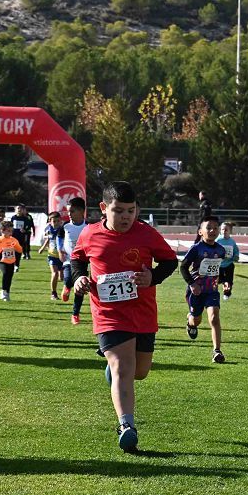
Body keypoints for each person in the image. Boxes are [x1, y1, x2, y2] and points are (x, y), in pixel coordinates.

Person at [70, 181, 179, 453]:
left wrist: (153, 276)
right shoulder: (89, 234)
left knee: (139, 372)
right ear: (103, 209)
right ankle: (126, 425)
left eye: (131, 211)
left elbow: (169, 261)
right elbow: (77, 260)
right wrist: (79, 278)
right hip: (108, 313)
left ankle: (114, 372)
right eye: (119, 211)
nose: (126, 217)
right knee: (123, 366)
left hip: (142, 312)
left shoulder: (146, 234)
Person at [182, 216, 227, 363]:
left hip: (212, 291)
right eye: (208, 228)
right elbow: (183, 267)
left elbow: (223, 268)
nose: (212, 230)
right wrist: (192, 284)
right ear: (200, 231)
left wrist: (226, 281)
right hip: (197, 291)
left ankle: (217, 351)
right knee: (196, 320)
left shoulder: (221, 250)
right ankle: (190, 323)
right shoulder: (196, 249)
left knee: (214, 317)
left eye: (215, 227)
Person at [61, 198, 90, 325]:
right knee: (68, 279)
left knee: (81, 287)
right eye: (68, 211)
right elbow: (60, 238)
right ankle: (67, 286)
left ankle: (75, 314)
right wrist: (60, 250)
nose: (69, 214)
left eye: (72, 211)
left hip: (81, 261)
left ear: (81, 211)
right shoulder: (65, 226)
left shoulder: (88, 227)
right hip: (68, 259)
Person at [37, 211, 66, 300]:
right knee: (55, 273)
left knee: (62, 277)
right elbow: (48, 240)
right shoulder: (48, 229)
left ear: (60, 221)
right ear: (50, 221)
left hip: (61, 256)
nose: (56, 223)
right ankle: (53, 293)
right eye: (54, 221)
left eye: (58, 221)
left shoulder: (63, 230)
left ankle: (65, 291)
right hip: (52, 255)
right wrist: (42, 248)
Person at [0, 221, 23, 301]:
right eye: (8, 231)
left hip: (11, 261)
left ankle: (6, 292)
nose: (10, 233)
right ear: (2, 230)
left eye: (11, 231)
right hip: (1, 260)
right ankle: (2, 291)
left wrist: (16, 247)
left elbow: (20, 250)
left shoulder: (13, 240)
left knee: (9, 277)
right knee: (4, 273)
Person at [216, 221, 240, 300]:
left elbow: (236, 250)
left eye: (226, 230)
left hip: (229, 264)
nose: (224, 231)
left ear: (230, 231)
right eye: (222, 229)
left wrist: (236, 256)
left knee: (229, 280)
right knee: (218, 280)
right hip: (219, 265)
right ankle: (213, 292)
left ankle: (227, 293)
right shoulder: (217, 240)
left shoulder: (232, 241)